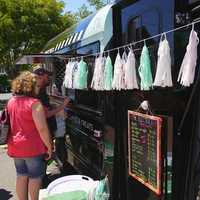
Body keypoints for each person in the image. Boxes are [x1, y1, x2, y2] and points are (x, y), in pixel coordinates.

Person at [7, 71, 52, 200]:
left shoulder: (11, 101)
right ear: (31, 86)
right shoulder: (34, 103)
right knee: (35, 178)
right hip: (32, 147)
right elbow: (42, 129)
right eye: (36, 85)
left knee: (21, 176)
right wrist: (49, 147)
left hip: (16, 146)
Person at [33, 66, 70, 163]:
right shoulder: (37, 93)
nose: (49, 78)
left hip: (43, 130)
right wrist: (63, 105)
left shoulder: (41, 90)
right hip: (43, 131)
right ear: (40, 77)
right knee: (41, 161)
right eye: (47, 76)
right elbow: (46, 114)